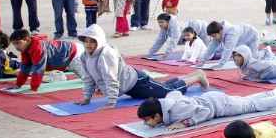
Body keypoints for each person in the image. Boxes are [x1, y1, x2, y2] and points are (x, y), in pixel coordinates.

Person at [75, 24, 208, 110]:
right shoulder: (85, 56)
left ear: (100, 42)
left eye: (93, 41)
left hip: (138, 82)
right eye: (86, 41)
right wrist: (87, 98)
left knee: (169, 91)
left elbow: (111, 79)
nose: (88, 44)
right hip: (131, 86)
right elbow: (87, 78)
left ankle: (198, 76)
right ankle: (194, 74)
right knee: (165, 85)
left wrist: (111, 102)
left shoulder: (106, 55)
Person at [137, 86, 276, 131]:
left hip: (219, 106)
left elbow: (205, 111)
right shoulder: (167, 103)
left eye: (146, 120)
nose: (145, 123)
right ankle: (272, 93)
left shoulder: (176, 111)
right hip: (213, 98)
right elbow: (175, 92)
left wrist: (186, 123)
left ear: (157, 115)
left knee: (252, 106)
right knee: (245, 100)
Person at [8, 29, 82, 92]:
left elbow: (39, 68)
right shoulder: (25, 51)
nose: (16, 47)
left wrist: (33, 88)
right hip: (69, 54)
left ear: (28, 40)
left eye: (18, 43)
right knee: (87, 78)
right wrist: (18, 84)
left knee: (89, 79)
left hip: (74, 53)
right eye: (14, 44)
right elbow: (24, 68)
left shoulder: (37, 48)